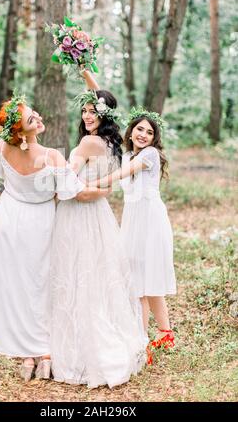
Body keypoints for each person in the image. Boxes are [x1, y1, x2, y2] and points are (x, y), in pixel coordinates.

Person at [0, 92, 107, 382]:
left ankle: (26, 356)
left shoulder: (2, 147)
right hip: (40, 221)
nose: (39, 118)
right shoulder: (51, 156)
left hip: (7, 219)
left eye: (35, 113)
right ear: (20, 131)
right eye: (32, 119)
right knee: (41, 285)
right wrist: (108, 186)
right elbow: (76, 193)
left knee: (18, 287)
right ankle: (44, 355)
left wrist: (13, 194)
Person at [50, 72, 147, 389]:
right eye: (84, 111)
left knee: (79, 275)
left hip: (78, 213)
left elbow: (67, 178)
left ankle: (84, 350)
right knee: (97, 277)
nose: (87, 115)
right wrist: (83, 70)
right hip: (101, 215)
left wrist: (48, 177)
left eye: (93, 111)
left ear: (102, 115)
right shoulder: (112, 143)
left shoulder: (89, 142)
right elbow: (104, 190)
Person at [91, 108, 176, 357]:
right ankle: (154, 335)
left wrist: (90, 184)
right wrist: (84, 71)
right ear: (132, 130)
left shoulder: (150, 155)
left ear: (154, 139)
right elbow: (107, 115)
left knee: (146, 281)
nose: (143, 135)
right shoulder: (127, 154)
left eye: (149, 132)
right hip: (133, 220)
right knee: (139, 280)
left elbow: (121, 175)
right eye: (140, 129)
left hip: (150, 221)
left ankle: (151, 338)